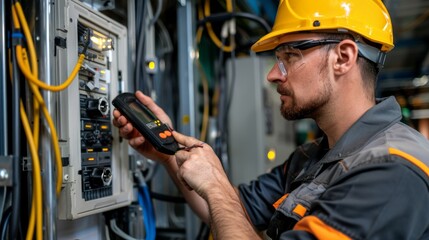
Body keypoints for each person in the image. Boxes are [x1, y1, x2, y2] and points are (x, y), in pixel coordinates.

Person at [113, 0, 429, 239]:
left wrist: (216, 185)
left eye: (290, 56)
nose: (273, 74)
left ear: (343, 58)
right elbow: (226, 211)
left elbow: (221, 200)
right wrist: (166, 151)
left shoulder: (391, 170)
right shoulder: (312, 158)